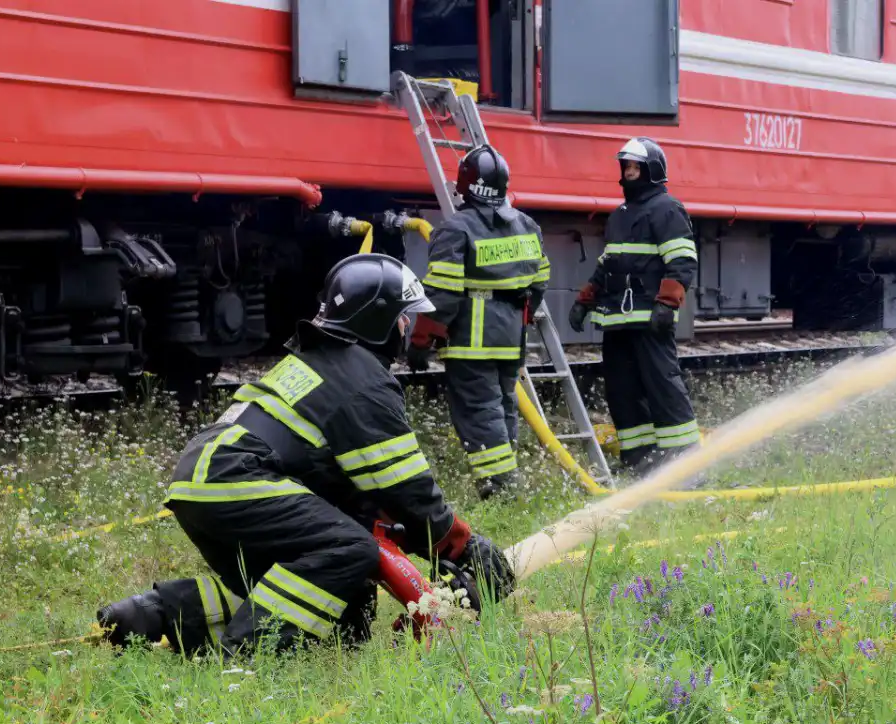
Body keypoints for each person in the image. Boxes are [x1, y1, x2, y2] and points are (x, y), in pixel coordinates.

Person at [95, 253, 515, 657]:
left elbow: (364, 499)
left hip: (205, 479)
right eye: (404, 315)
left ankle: (154, 613)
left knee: (320, 598)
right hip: (236, 478)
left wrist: (425, 563)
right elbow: (405, 490)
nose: (408, 326)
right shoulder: (363, 380)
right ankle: (244, 656)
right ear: (380, 321)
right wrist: (462, 546)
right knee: (350, 549)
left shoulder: (323, 362)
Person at [406, 144, 550, 500]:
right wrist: (517, 318)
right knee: (503, 407)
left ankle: (501, 489)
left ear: (466, 184)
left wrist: (422, 340)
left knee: (479, 412)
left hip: (471, 342)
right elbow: (540, 281)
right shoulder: (527, 225)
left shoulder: (456, 229)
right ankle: (505, 478)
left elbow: (442, 293)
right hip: (511, 338)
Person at [567, 136, 701, 477]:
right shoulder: (620, 215)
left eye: (635, 167)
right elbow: (608, 264)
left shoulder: (667, 209)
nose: (628, 172)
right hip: (616, 320)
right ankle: (639, 460)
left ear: (651, 170)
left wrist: (666, 303)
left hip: (648, 318)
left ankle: (685, 462)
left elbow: (682, 261)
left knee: (662, 386)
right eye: (626, 166)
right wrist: (585, 300)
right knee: (622, 390)